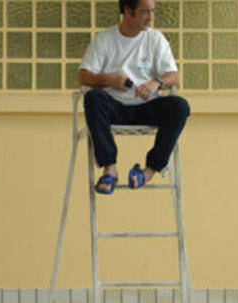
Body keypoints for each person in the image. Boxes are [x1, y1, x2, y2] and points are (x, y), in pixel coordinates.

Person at [78, 0, 190, 194]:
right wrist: (108, 80)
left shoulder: (156, 39)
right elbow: (83, 76)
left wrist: (156, 83)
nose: (150, 17)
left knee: (180, 106)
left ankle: (147, 172)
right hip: (114, 107)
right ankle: (110, 169)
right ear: (128, 11)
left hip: (147, 106)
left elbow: (175, 76)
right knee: (93, 98)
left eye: (152, 11)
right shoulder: (104, 40)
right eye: (145, 12)